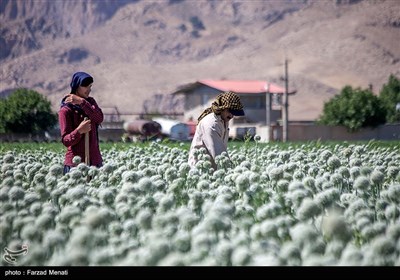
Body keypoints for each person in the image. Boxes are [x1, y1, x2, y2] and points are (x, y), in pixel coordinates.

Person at [58, 71, 104, 175]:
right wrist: (79, 131)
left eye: (90, 86)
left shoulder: (90, 103)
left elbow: (99, 118)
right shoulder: (65, 110)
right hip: (75, 165)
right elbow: (66, 140)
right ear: (76, 86)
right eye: (85, 86)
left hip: (95, 162)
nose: (89, 89)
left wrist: (82, 102)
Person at [188, 91, 245, 170]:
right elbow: (219, 155)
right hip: (200, 170)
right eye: (230, 112)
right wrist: (233, 171)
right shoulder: (211, 124)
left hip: (212, 169)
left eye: (234, 113)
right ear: (223, 108)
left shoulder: (223, 120)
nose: (231, 116)